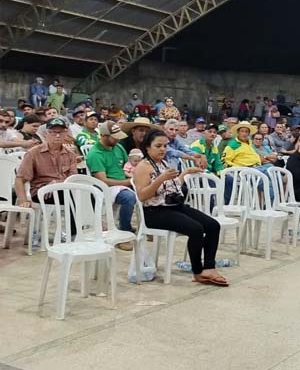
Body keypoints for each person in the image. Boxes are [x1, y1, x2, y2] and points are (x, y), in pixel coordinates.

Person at [133, 129, 227, 286]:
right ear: (147, 147)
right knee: (196, 229)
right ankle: (198, 271)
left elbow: (172, 186)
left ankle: (209, 267)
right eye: (158, 146)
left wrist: (186, 173)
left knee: (212, 225)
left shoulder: (163, 163)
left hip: (173, 205)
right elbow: (142, 196)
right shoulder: (143, 166)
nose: (163, 149)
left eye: (165, 146)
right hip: (154, 211)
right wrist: (160, 179)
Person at [14, 118, 80, 241]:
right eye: (53, 132)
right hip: (41, 191)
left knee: (86, 193)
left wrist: (57, 183)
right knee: (71, 196)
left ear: (65, 134)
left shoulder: (70, 154)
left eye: (61, 132)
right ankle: (72, 235)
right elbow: (20, 179)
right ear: (46, 134)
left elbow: (73, 179)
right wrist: (23, 200)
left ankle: (81, 230)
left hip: (63, 189)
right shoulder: (34, 153)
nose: (57, 135)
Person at [86, 121, 138, 244]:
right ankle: (124, 231)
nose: (118, 140)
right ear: (103, 136)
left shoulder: (118, 147)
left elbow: (127, 165)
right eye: (114, 137)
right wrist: (127, 182)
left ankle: (149, 227)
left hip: (125, 180)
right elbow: (102, 180)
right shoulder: (95, 154)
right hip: (107, 188)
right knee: (128, 197)